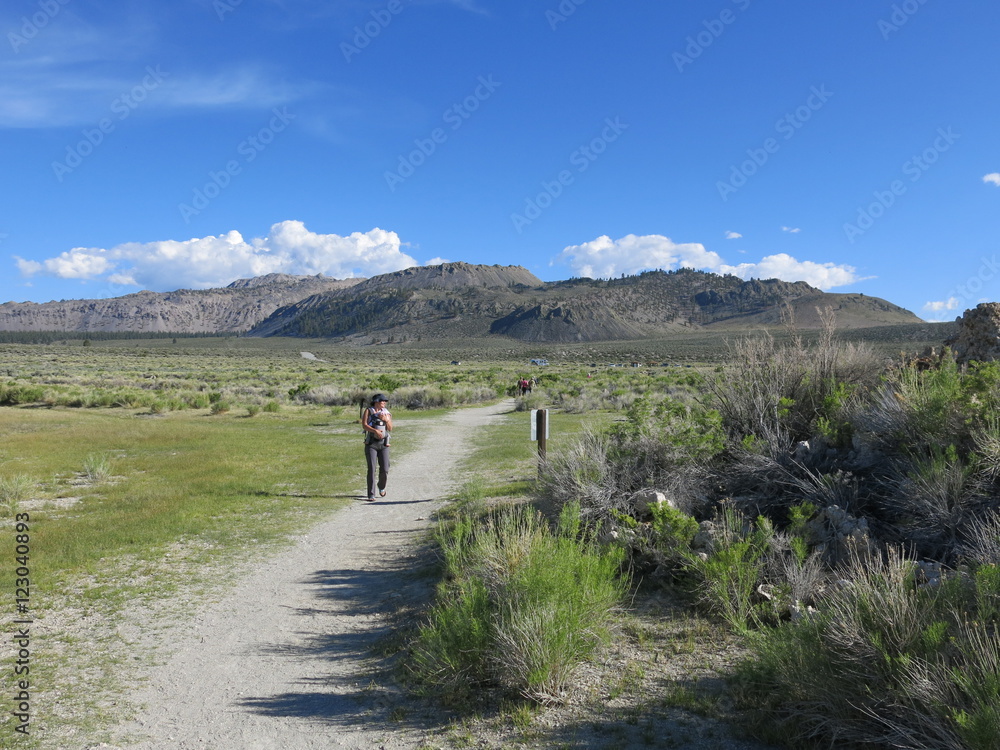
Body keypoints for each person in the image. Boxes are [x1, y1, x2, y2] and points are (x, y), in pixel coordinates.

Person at [362, 393, 392, 501]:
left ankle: (381, 486)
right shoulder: (368, 411)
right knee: (372, 468)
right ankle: (371, 493)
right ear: (376, 402)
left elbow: (390, 428)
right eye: (381, 401)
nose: (383, 403)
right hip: (371, 443)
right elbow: (364, 425)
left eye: (385, 401)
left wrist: (386, 420)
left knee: (385, 468)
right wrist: (374, 430)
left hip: (384, 444)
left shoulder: (386, 413)